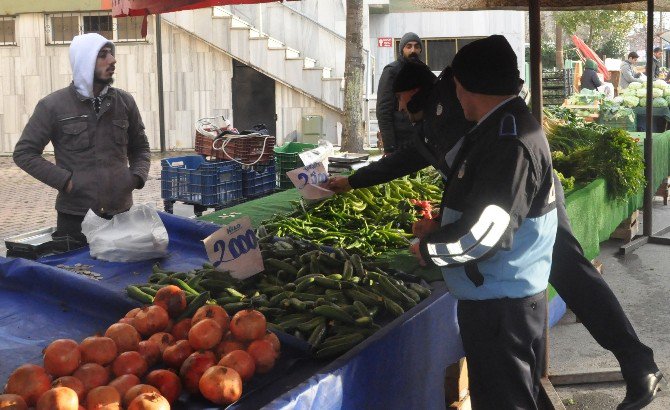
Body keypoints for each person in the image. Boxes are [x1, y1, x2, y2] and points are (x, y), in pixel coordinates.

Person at [327, 50, 666, 410]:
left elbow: (481, 192)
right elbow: (422, 156)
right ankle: (627, 365)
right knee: (555, 287)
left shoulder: (460, 106)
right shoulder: (443, 111)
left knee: (566, 273)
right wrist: (354, 181)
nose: (397, 107)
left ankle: (637, 363)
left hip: (519, 197)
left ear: (415, 91)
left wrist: (434, 244)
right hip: (510, 198)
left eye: (398, 98)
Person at [13, 33, 151, 244]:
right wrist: (65, 181)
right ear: (85, 62)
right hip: (75, 219)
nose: (112, 60)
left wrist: (135, 178)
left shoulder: (124, 102)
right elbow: (24, 153)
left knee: (123, 275)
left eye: (111, 54)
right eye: (103, 55)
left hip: (122, 215)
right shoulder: (52, 105)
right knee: (76, 273)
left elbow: (140, 147)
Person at [376, 32, 423, 155]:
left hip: (420, 139)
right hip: (399, 141)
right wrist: (389, 147)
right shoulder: (391, 71)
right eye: (409, 46)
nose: (413, 50)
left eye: (417, 46)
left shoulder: (423, 71)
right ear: (402, 49)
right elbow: (383, 110)